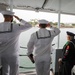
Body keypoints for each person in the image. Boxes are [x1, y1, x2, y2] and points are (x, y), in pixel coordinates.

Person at [0, 10, 32, 75]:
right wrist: (19, 19)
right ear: (11, 17)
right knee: (14, 72)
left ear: (3, 16)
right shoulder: (16, 26)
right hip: (13, 55)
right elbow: (29, 26)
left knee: (4, 71)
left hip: (2, 54)